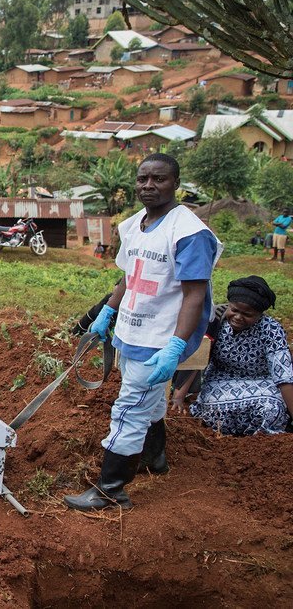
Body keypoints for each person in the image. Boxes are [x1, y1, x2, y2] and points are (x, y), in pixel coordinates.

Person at [64, 153, 221, 512]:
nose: (149, 186)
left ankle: (110, 489)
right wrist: (107, 311)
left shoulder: (189, 232)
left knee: (129, 408)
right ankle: (155, 458)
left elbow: (195, 294)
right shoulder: (134, 224)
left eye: (159, 179)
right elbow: (128, 276)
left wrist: (176, 346)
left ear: (176, 183)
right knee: (147, 404)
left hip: (161, 338)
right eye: (143, 179)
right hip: (133, 329)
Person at [173, 276, 293, 435]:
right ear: (229, 305)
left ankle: (261, 441)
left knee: (271, 409)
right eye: (234, 310)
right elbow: (198, 356)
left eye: (247, 314)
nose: (238, 317)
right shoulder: (215, 319)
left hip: (262, 381)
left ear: (259, 315)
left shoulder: (271, 330)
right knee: (211, 411)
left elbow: (283, 376)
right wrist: (178, 397)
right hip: (220, 380)